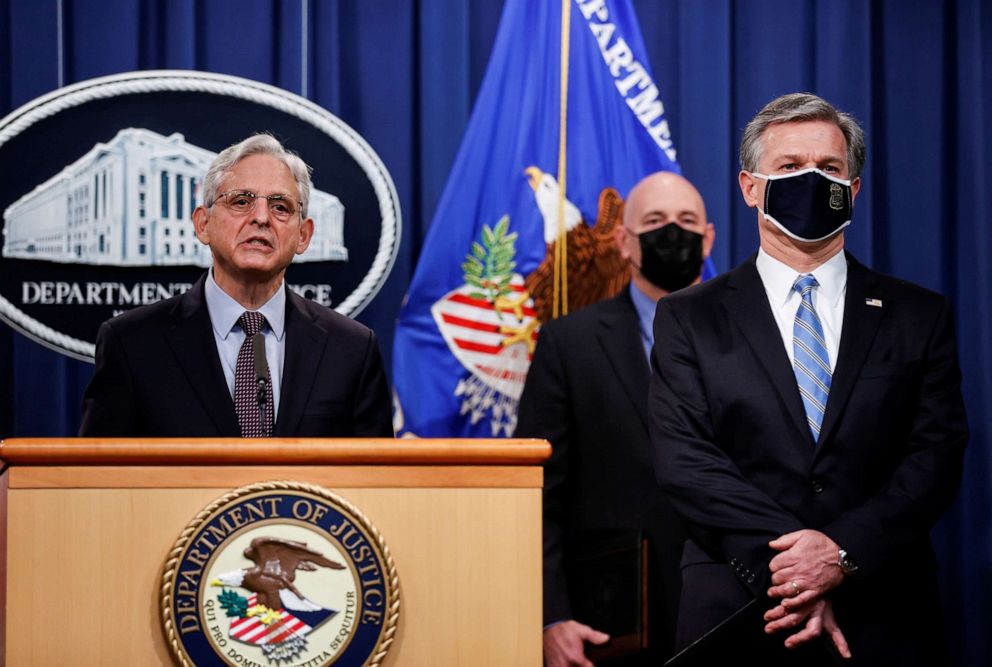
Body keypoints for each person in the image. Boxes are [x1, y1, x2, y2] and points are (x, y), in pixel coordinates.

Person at [650, 93, 967, 665]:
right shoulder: (687, 316)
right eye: (791, 167)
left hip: (885, 609)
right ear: (751, 187)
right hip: (738, 602)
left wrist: (842, 552)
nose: (812, 180)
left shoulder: (919, 315)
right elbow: (686, 461)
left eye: (829, 168)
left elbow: (935, 456)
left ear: (853, 188)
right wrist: (799, 565)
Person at [517, 172, 714, 666]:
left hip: (734, 614)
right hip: (610, 624)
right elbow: (538, 496)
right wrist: (549, 616)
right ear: (623, 241)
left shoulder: (754, 337)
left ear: (708, 238)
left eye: (686, 221)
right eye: (655, 221)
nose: (673, 232)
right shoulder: (569, 344)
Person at [80, 134, 392, 438]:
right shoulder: (132, 343)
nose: (261, 218)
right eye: (241, 201)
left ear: (303, 236)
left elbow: (373, 483)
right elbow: (101, 482)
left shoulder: (351, 350)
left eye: (280, 206)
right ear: (203, 224)